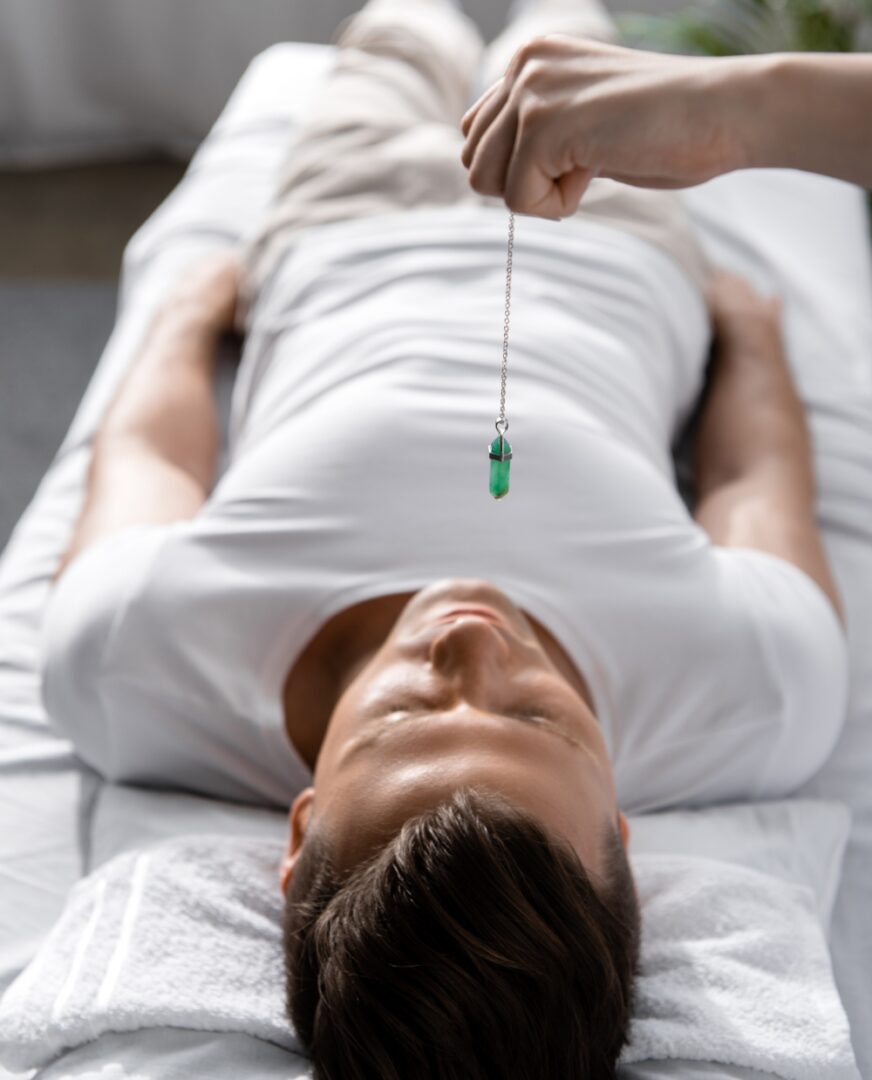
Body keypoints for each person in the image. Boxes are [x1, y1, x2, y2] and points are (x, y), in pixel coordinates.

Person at [39, 0, 848, 1077]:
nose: (471, 641)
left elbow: (147, 459)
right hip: (606, 241)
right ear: (617, 828)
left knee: (401, 21)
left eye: (405, 714)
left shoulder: (134, 663)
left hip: (342, 226)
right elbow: (752, 476)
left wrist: (184, 318)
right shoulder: (754, 689)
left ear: (298, 829)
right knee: (561, 23)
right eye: (536, 719)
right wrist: (747, 335)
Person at [461, 26, 872, 218]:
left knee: (406, 35)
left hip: (408, 219)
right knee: (558, 39)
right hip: (620, 231)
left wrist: (721, 117)